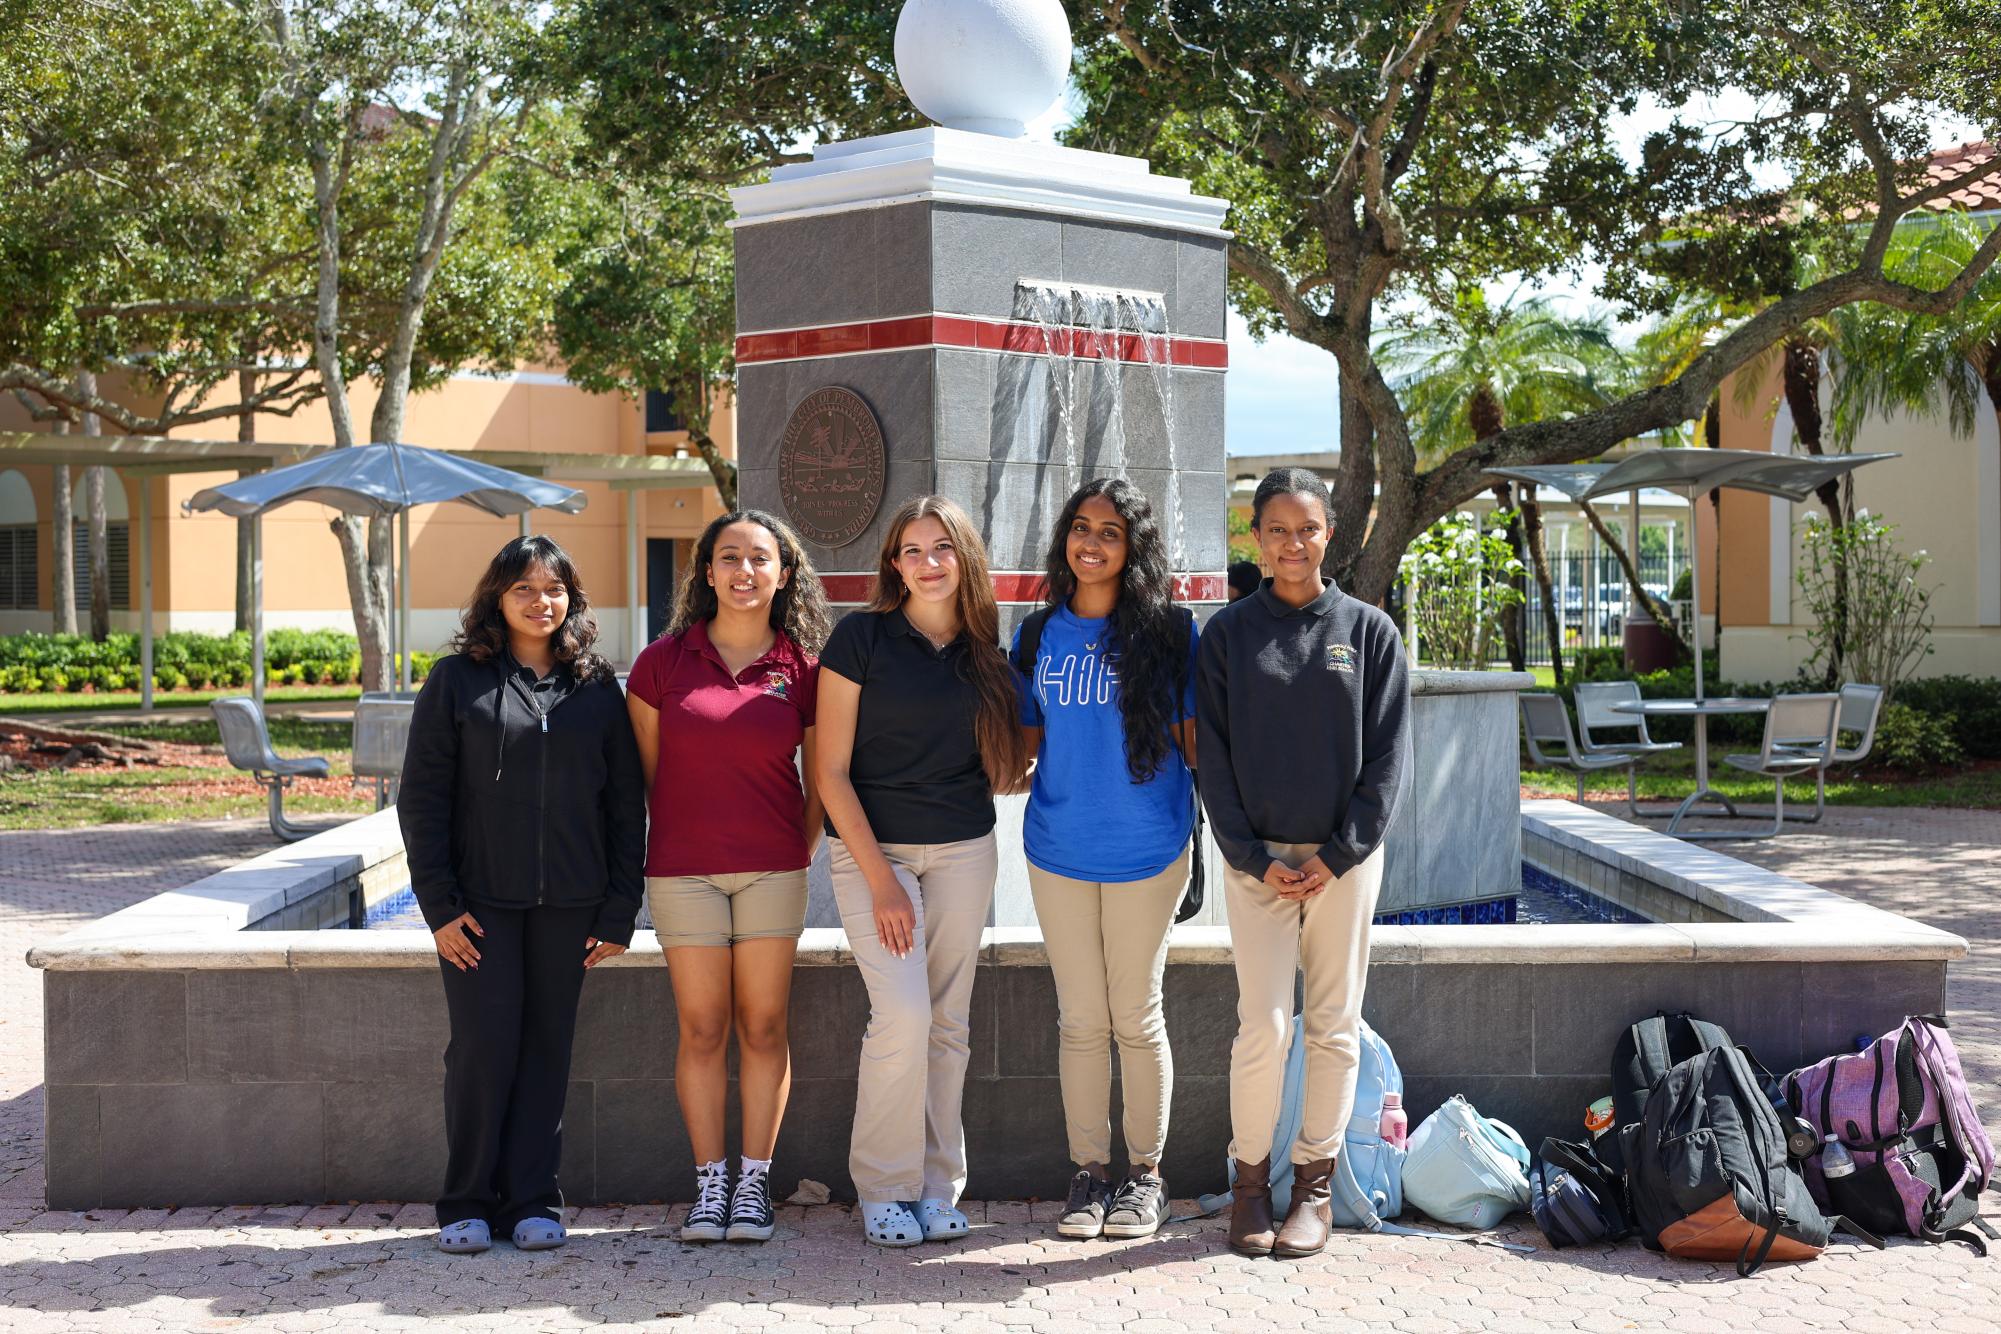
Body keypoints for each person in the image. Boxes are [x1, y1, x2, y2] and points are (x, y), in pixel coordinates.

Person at [399, 535, 645, 1255]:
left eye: (555, 589)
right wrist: (440, 908)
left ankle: (535, 1200)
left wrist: (618, 910)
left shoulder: (597, 688)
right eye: (525, 590)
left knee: (546, 1051)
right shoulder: (455, 682)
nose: (542, 602)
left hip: (571, 907)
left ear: (572, 599)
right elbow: (422, 802)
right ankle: (467, 1202)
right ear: (497, 600)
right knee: (481, 1050)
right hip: (480, 909)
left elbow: (624, 808)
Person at [1195, 467, 1411, 1260]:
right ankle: (1249, 1188)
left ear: (1329, 534)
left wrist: (1335, 854)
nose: (1292, 544)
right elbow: (1210, 759)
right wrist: (1250, 857)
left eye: (1307, 529)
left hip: (1341, 866)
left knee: (1332, 1028)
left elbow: (1387, 760)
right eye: (1277, 530)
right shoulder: (1225, 635)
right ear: (1255, 537)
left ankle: (1311, 1190)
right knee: (1262, 1028)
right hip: (1256, 866)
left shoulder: (1368, 632)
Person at [814, 495, 1032, 1248]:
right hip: (876, 852)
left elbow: (1006, 766)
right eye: (911, 550)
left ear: (963, 558)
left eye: (941, 547)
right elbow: (830, 771)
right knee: (902, 1015)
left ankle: (939, 1187)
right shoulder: (860, 639)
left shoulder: (985, 653)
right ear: (893, 564)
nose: (926, 562)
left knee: (948, 1025)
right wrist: (879, 880)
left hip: (965, 850)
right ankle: (883, 1186)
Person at [625, 510, 832, 1243]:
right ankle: (709, 1187)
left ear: (784, 573)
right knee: (704, 1028)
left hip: (773, 871)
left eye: (760, 559)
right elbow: (646, 779)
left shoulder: (804, 668)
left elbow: (821, 782)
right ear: (706, 571)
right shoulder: (661, 664)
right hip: (683, 874)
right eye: (729, 558)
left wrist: (794, 850)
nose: (745, 571)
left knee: (764, 1024)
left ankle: (754, 1185)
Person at [1014, 478, 1197, 1241]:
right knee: (1081, 1019)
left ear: (1133, 549)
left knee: (1134, 1014)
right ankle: (1089, 1174)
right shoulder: (1034, 636)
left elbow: (1196, 745)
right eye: (1080, 528)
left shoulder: (1169, 633)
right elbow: (1019, 749)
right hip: (1056, 848)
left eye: (1111, 532)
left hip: (1148, 848)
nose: (1091, 542)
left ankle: (1144, 1177)